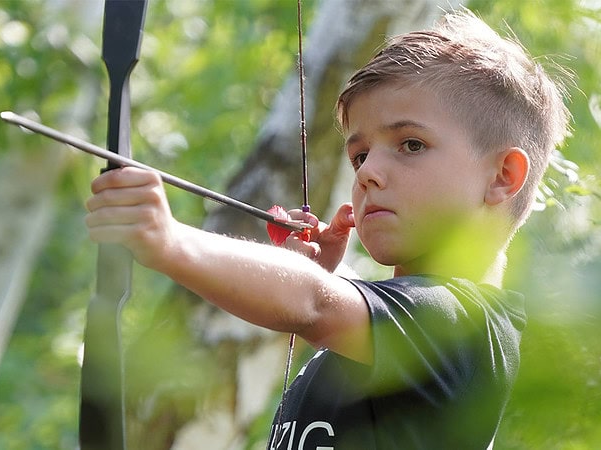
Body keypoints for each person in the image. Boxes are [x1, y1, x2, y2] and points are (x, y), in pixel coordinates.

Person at [85, 9, 570, 449]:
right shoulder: (389, 336)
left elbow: (314, 304)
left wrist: (170, 241)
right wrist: (315, 274)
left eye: (411, 144)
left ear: (502, 177)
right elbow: (324, 304)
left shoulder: (464, 328)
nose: (368, 172)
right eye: (360, 155)